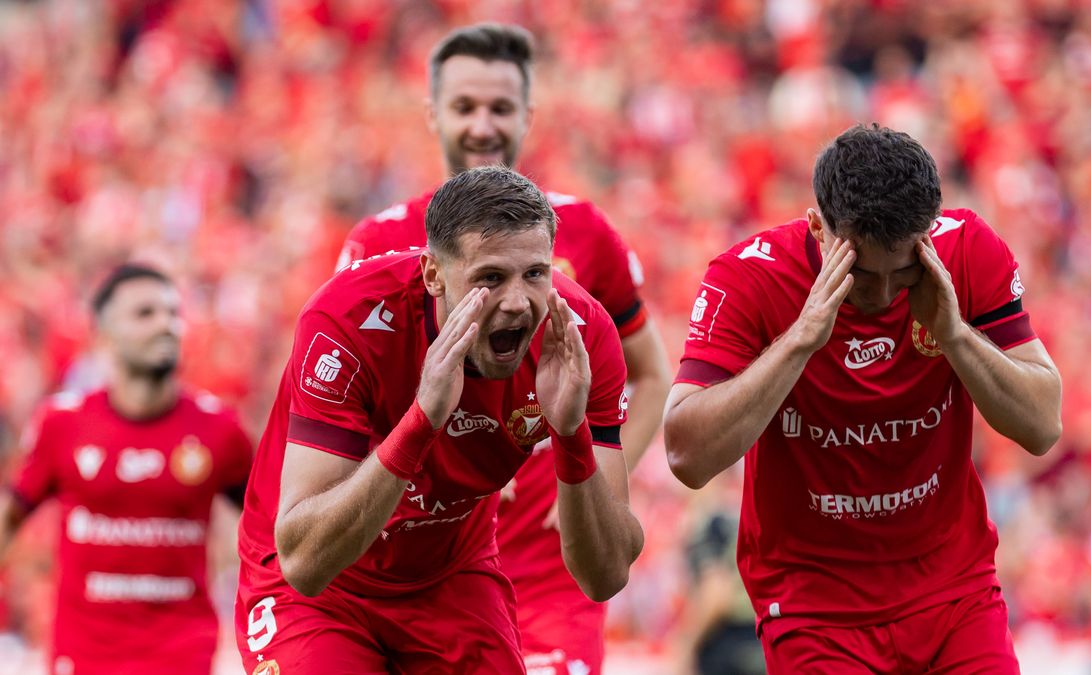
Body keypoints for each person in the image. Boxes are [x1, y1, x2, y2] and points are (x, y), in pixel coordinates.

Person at [663, 123, 1063, 672]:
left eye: (901, 271)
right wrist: (801, 338)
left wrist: (954, 336)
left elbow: (1043, 426)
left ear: (928, 234)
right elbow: (686, 455)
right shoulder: (747, 278)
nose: (879, 295)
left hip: (952, 588)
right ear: (816, 227)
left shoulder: (967, 250)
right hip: (815, 607)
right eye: (859, 272)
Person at [336, 23, 671, 674]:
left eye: (501, 108)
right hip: (426, 554)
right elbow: (342, 402)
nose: (483, 126)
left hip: (548, 563)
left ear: (528, 115)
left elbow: (651, 373)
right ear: (435, 113)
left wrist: (595, 481)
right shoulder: (377, 241)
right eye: (465, 107)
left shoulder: (584, 231)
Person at [235, 166, 643, 674]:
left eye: (535, 273)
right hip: (321, 593)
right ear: (433, 275)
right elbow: (304, 564)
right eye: (490, 278)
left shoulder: (580, 336)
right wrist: (422, 419)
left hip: (449, 577)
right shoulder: (347, 320)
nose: (517, 303)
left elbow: (605, 576)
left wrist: (570, 433)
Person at [0, 264, 254, 675]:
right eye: (145, 313)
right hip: (84, 656)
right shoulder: (61, 424)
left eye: (173, 313)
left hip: (182, 654)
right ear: (104, 336)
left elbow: (272, 528)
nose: (167, 324)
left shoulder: (220, 429)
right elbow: (10, 518)